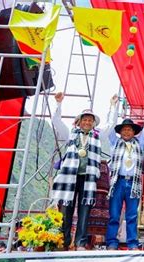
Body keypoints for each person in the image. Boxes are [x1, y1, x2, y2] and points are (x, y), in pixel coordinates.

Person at [51, 92, 103, 251]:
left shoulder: (98, 136)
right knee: (66, 210)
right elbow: (56, 122)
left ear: (93, 123)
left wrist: (114, 108)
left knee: (84, 212)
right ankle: (64, 242)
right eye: (85, 119)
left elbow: (111, 125)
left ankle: (80, 243)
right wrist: (59, 104)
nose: (87, 122)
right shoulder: (70, 134)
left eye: (90, 120)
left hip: (87, 179)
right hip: (69, 178)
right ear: (79, 122)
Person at [105, 96, 144, 251]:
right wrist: (113, 106)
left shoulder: (140, 143)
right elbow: (110, 127)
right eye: (124, 129)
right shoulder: (114, 142)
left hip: (134, 183)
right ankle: (111, 242)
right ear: (121, 132)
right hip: (117, 182)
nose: (126, 131)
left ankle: (132, 243)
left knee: (132, 215)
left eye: (129, 129)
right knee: (114, 215)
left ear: (133, 132)